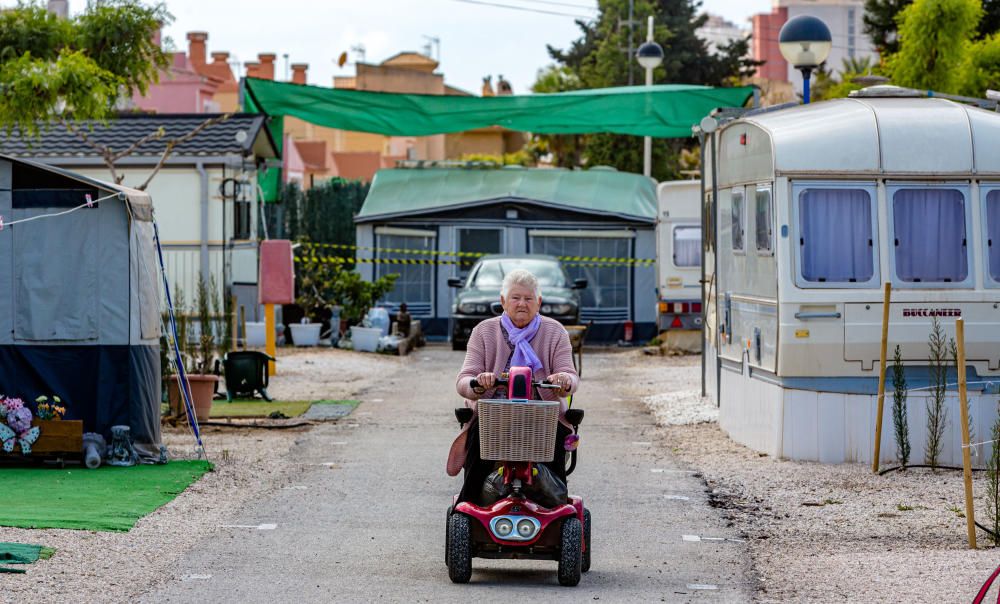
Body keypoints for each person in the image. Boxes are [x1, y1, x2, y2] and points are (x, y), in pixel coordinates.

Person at [446, 268, 579, 503]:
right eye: (515, 298)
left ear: (538, 303)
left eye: (528, 299)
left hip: (543, 416)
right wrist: (479, 383)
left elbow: (570, 376)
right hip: (493, 415)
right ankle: (469, 506)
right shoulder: (483, 331)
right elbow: (464, 380)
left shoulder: (555, 331)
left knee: (557, 444)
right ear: (502, 301)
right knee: (477, 447)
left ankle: (556, 507)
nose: (522, 304)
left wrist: (563, 381)